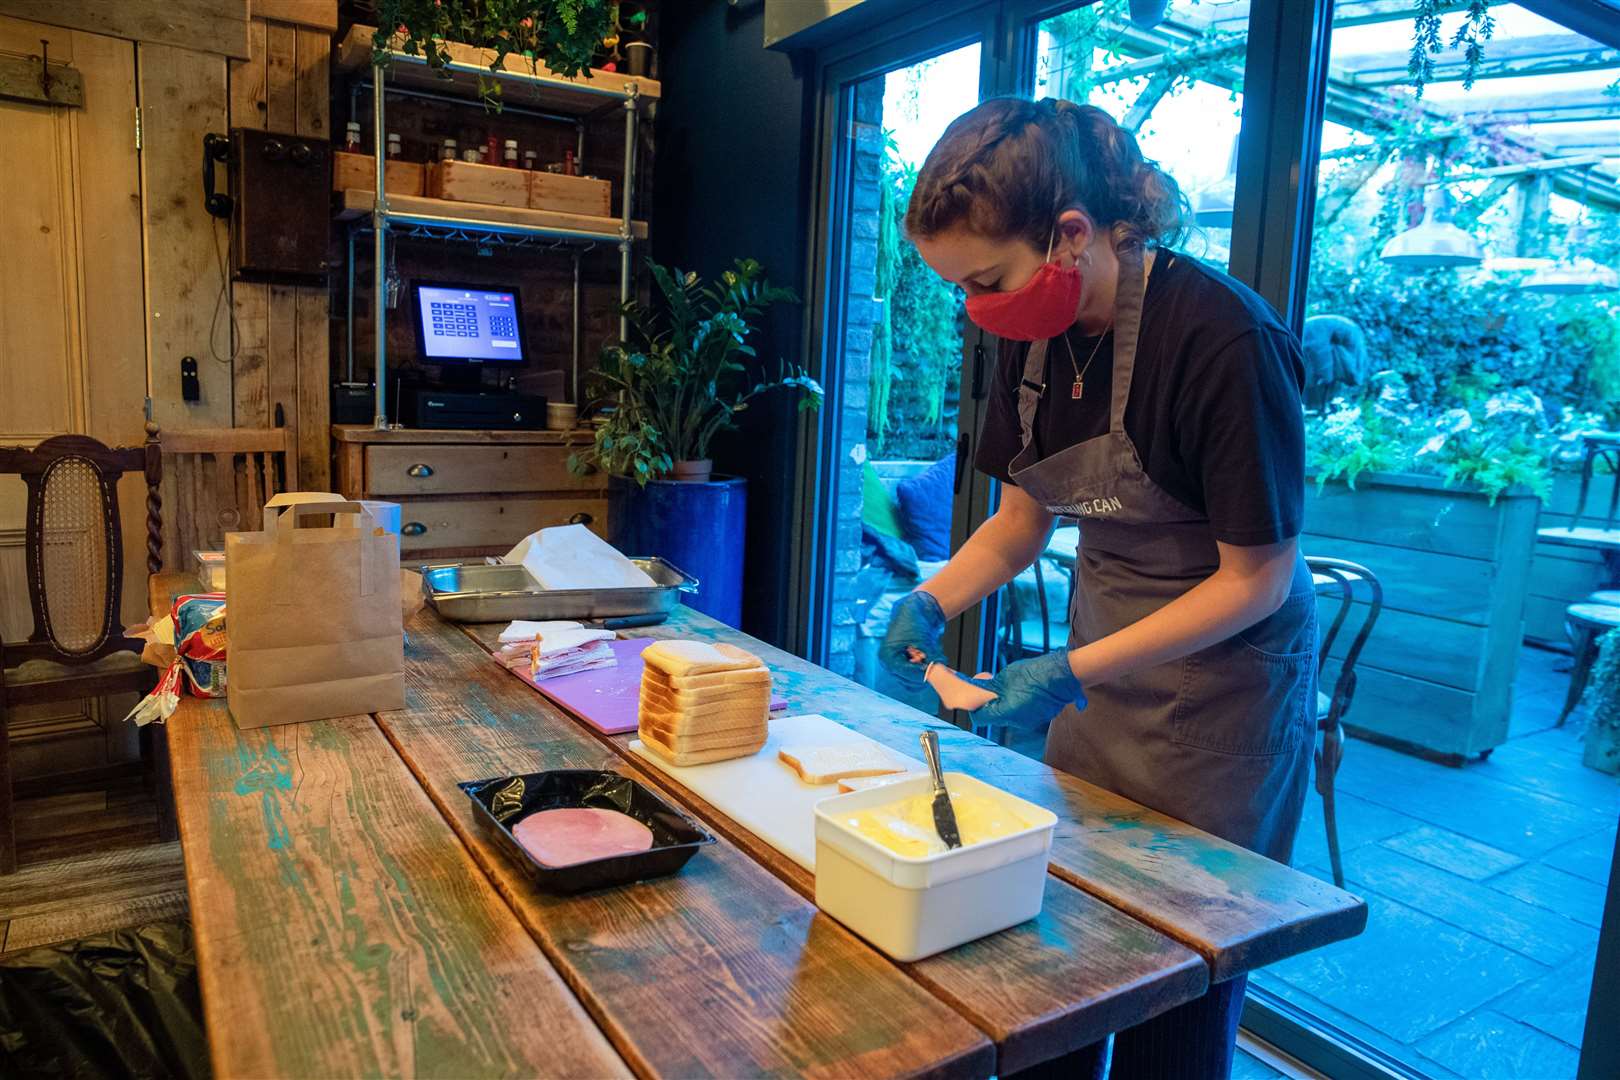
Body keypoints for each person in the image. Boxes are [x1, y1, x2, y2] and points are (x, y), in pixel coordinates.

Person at [878, 97, 1317, 1080]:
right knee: (1057, 972)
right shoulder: (1017, 333)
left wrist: (1071, 666)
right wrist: (932, 601)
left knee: (1175, 991)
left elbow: (1257, 579)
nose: (971, 308)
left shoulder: (1222, 343)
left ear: (1071, 235)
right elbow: (1022, 519)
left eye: (984, 279)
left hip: (1221, 707)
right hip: (1102, 677)